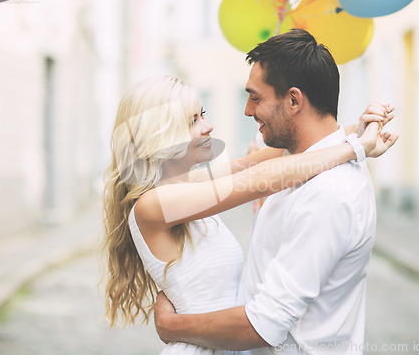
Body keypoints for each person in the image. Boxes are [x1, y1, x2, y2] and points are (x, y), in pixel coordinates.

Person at [152, 29, 398, 355]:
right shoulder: (299, 162)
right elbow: (250, 167)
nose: (248, 111)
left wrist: (171, 327)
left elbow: (262, 325)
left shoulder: (329, 193)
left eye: (256, 97)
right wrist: (352, 137)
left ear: (294, 100)